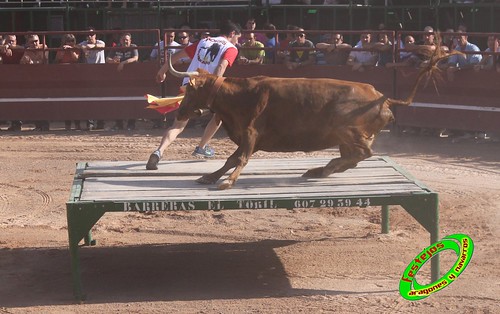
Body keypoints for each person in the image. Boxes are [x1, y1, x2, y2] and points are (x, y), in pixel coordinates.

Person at [146, 20, 241, 170]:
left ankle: (159, 152)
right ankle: (201, 147)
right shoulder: (231, 48)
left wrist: (162, 70)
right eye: (238, 38)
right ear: (232, 34)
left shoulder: (203, 41)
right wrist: (213, 89)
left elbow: (178, 55)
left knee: (177, 125)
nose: (237, 41)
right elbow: (222, 66)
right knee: (219, 115)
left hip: (188, 86)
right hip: (206, 88)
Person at [106, 32, 139, 131]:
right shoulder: (116, 48)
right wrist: (113, 61)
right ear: (120, 41)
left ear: (130, 41)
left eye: (127, 40)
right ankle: (119, 123)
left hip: (132, 79)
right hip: (118, 79)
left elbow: (136, 58)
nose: (125, 41)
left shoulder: (133, 47)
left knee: (132, 101)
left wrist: (123, 63)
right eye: (124, 39)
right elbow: (107, 59)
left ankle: (131, 124)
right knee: (117, 100)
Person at [78, 26, 106, 130]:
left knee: (101, 98)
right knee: (89, 98)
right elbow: (77, 46)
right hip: (88, 74)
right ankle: (90, 123)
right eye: (88, 35)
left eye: (92, 34)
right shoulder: (83, 44)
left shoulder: (100, 42)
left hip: (100, 73)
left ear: (95, 35)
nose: (90, 36)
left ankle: (100, 122)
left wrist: (87, 47)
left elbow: (101, 46)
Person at [20, 34, 50, 131]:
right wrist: (25, 62)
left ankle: (45, 125)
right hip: (32, 80)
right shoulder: (28, 50)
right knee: (35, 102)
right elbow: (22, 62)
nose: (35, 43)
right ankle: (38, 125)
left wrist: (32, 63)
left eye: (36, 41)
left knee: (43, 103)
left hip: (44, 79)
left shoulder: (44, 47)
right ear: (28, 43)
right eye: (32, 42)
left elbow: (43, 60)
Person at [55, 33, 82, 131]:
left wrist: (70, 50)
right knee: (66, 102)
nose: (70, 43)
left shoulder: (76, 49)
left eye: (72, 41)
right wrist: (63, 50)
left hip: (75, 77)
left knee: (76, 102)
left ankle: (77, 124)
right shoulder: (60, 49)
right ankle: (67, 125)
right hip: (64, 77)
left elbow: (76, 59)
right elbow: (58, 59)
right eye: (68, 41)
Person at [0, 34, 25, 131]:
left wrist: (9, 46)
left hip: (16, 80)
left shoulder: (19, 49)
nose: (11, 43)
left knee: (15, 101)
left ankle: (16, 124)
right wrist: (3, 47)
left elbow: (23, 47)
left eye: (13, 41)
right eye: (9, 41)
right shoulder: (3, 49)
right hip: (3, 79)